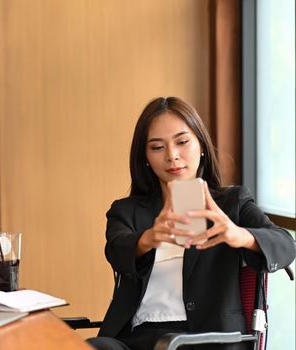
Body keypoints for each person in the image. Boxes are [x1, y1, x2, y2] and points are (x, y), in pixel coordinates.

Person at [87, 97, 295, 350]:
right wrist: (149, 238)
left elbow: (285, 246)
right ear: (145, 158)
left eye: (182, 142)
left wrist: (238, 234)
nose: (172, 156)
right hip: (136, 340)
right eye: (157, 147)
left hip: (206, 340)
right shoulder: (127, 210)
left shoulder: (232, 203)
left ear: (202, 145)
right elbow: (117, 251)